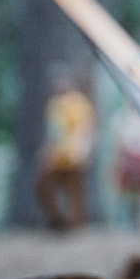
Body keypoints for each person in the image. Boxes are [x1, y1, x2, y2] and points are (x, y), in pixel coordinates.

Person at [35, 83, 97, 231]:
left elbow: (85, 129)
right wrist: (47, 151)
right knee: (45, 185)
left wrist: (81, 151)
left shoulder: (78, 103)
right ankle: (57, 219)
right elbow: (53, 132)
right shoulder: (55, 104)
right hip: (57, 157)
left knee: (74, 189)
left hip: (72, 157)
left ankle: (75, 223)